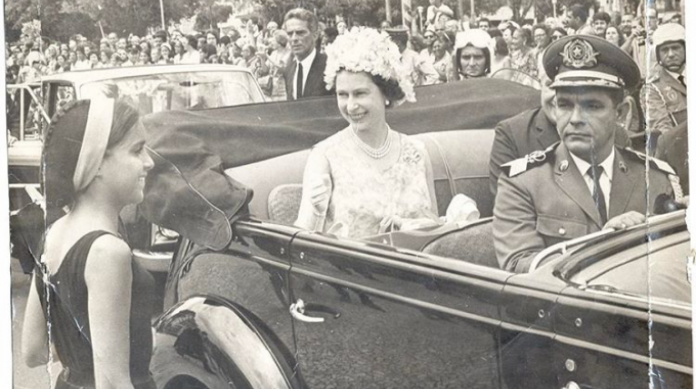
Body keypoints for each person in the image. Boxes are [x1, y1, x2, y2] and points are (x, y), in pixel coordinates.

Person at [492, 35, 679, 273]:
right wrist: (601, 245)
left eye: (592, 106)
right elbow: (520, 266)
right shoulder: (522, 181)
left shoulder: (654, 177)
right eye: (565, 105)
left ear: (622, 113)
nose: (576, 119)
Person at [22, 98, 156, 388]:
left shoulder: (53, 233)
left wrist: (81, 356)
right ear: (96, 163)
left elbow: (33, 350)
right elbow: (113, 383)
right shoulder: (108, 251)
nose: (149, 161)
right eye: (137, 150)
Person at [295, 28, 438, 239]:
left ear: (386, 94)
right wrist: (316, 213)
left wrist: (412, 227)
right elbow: (300, 243)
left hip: (416, 266)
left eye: (360, 93)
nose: (351, 106)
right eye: (343, 95)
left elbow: (434, 225)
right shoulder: (324, 156)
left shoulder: (416, 152)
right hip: (350, 269)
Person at [641, 23, 687, 137]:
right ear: (657, 55)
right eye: (665, 50)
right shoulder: (652, 88)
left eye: (676, 48)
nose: (670, 54)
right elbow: (665, 132)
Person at [283, 8, 332, 100]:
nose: (294, 39)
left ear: (315, 35)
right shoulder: (288, 70)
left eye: (300, 33)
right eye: (290, 34)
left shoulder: (329, 66)